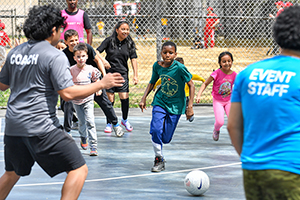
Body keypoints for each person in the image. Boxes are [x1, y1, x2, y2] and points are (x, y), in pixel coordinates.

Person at [0, 5, 124, 199]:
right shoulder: (54, 55)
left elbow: (2, 85)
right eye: (60, 29)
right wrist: (101, 83)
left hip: (14, 126)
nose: (61, 33)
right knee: (78, 169)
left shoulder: (15, 52)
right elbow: (67, 93)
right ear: (53, 31)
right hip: (41, 127)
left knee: (12, 173)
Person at [227, 5, 300, 199]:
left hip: (253, 169)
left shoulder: (248, 73)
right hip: (293, 169)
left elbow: (233, 126)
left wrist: (251, 159)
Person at [139, 41, 195, 172]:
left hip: (176, 106)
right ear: (161, 53)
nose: (167, 55)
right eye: (165, 52)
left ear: (175, 54)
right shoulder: (157, 66)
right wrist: (143, 98)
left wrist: (190, 106)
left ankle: (159, 145)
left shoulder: (180, 68)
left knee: (166, 138)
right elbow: (152, 82)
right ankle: (158, 158)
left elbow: (192, 85)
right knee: (156, 129)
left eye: (171, 53)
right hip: (160, 102)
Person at [63, 29, 124, 137]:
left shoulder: (86, 48)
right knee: (66, 103)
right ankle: (70, 128)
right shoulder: (64, 55)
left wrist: (103, 78)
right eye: (71, 40)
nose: (74, 42)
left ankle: (115, 124)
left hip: (91, 79)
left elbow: (98, 61)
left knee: (104, 102)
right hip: (75, 82)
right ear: (66, 42)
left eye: (76, 39)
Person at [97, 20, 138, 132]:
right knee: (110, 98)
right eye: (123, 29)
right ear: (117, 30)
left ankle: (124, 120)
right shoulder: (109, 41)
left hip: (122, 73)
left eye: (127, 29)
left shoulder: (129, 43)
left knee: (124, 97)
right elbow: (96, 52)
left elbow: (133, 59)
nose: (125, 31)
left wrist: (135, 75)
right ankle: (109, 123)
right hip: (109, 73)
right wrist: (103, 61)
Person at [196, 52, 237, 141]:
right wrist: (199, 95)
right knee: (220, 122)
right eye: (224, 61)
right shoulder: (217, 73)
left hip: (229, 100)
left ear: (232, 61)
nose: (227, 63)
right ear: (220, 63)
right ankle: (216, 129)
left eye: (229, 61)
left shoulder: (234, 75)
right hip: (218, 101)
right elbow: (205, 83)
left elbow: (240, 86)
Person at [71, 43, 101, 156]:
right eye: (78, 56)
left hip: (88, 99)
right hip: (76, 100)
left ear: (87, 57)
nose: (81, 59)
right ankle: (83, 137)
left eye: (83, 56)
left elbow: (97, 79)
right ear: (74, 58)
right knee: (81, 122)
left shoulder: (91, 69)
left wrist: (98, 88)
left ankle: (94, 145)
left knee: (90, 121)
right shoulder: (71, 70)